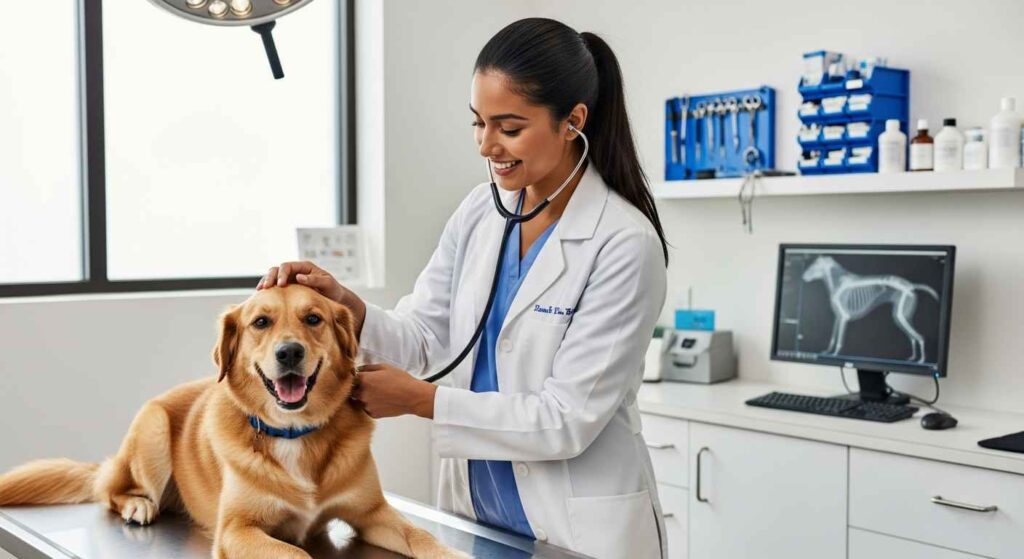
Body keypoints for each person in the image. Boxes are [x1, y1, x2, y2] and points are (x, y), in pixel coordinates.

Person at [259, 18, 669, 559]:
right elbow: (426, 335)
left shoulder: (623, 243)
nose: (486, 145)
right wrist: (348, 308)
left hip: (578, 529)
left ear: (573, 122)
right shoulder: (482, 211)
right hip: (479, 515)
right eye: (478, 123)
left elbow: (566, 419)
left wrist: (423, 401)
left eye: (509, 127)